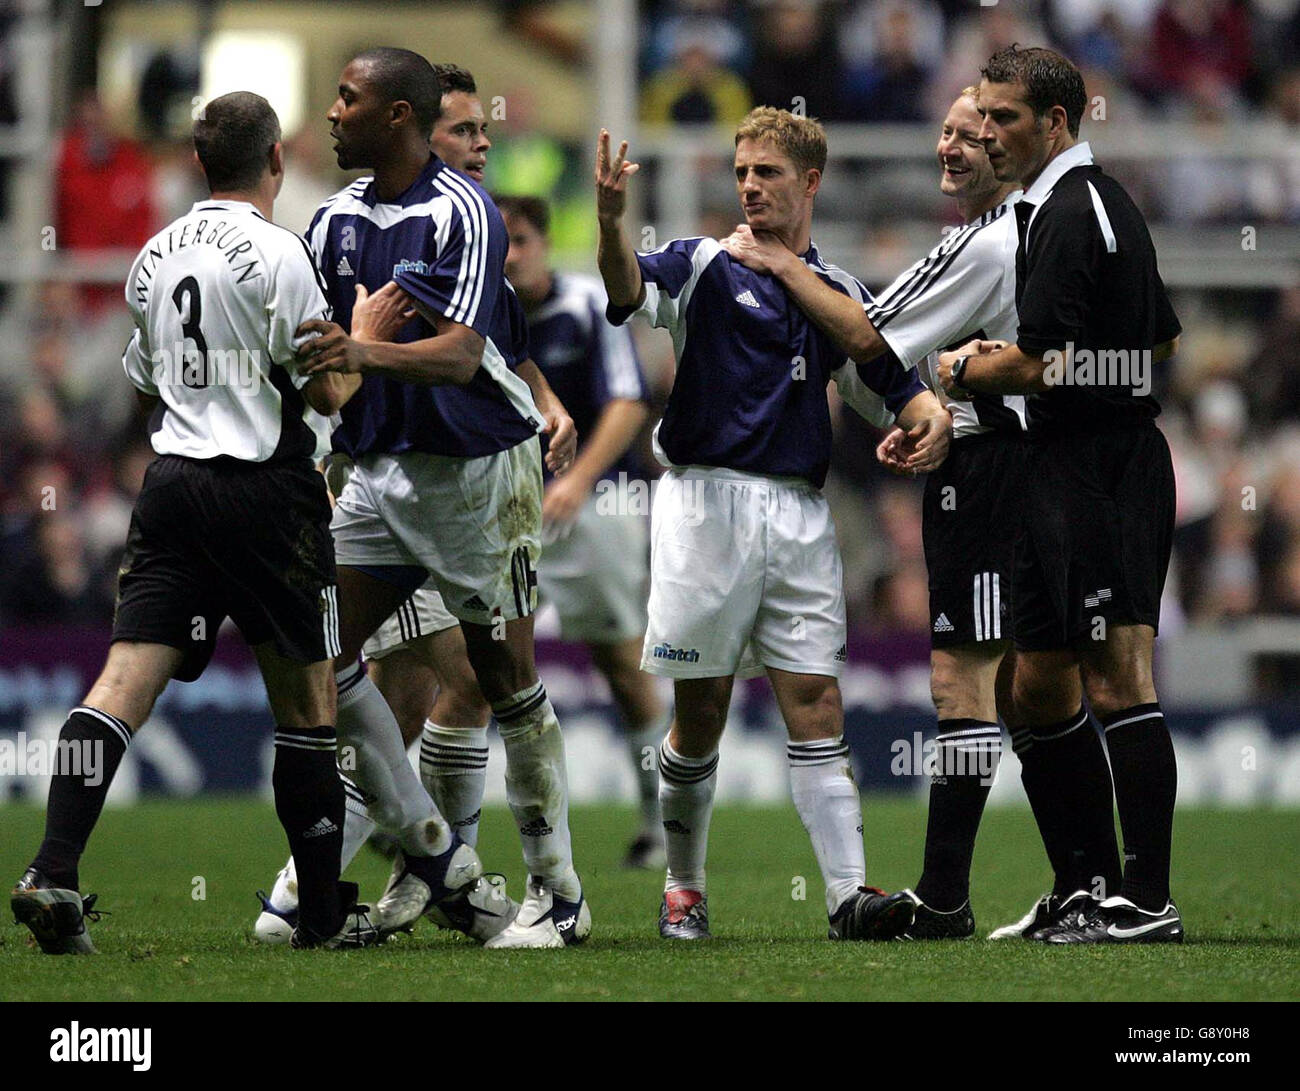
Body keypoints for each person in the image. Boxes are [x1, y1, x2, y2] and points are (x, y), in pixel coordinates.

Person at [10, 92, 378, 952]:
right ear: (276, 159)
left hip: (172, 484)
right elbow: (327, 390)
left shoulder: (153, 253)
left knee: (120, 683)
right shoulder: (282, 253)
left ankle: (52, 869)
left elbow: (146, 377)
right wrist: (360, 344)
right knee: (307, 701)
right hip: (267, 489)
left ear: (200, 164)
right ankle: (322, 915)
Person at [595, 107, 952, 941]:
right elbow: (624, 291)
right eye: (742, 171)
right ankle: (683, 885)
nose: (750, 186)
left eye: (768, 173)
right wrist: (612, 224)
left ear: (811, 183)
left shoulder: (839, 294)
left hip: (797, 512)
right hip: (704, 503)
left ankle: (846, 896)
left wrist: (926, 418)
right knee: (704, 708)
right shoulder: (704, 264)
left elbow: (888, 383)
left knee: (816, 699)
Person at [252, 62, 577, 945]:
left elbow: (465, 354)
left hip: (478, 473)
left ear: (396, 116)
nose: (330, 112)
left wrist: (364, 352)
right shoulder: (332, 221)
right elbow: (315, 357)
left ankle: (560, 889)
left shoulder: (463, 211)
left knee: (500, 677)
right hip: (381, 470)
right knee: (325, 651)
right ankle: (436, 857)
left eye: (347, 101)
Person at [724, 85, 1028, 939]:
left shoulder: (980, 244)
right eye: (945, 130)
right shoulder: (1046, 226)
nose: (950, 148)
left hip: (1001, 471)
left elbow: (867, 338)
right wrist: (930, 408)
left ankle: (965, 893)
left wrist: (787, 268)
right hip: (1009, 466)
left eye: (975, 133)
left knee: (981, 679)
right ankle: (1096, 883)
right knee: (1040, 680)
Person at [938, 45, 1183, 944]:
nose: (988, 133)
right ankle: (1083, 888)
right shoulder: (1063, 207)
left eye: (1005, 119)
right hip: (1058, 462)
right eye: (983, 115)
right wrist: (1083, 369)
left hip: (1100, 466)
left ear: (1056, 123)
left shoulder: (1079, 210)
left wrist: (962, 368)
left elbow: (1040, 361)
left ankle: (1147, 900)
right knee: (1033, 684)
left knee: (1119, 673)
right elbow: (1155, 339)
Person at [497, 193, 666, 869]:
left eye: (522, 240)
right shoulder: (479, 316)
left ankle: (658, 822)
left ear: (543, 243)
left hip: (599, 507)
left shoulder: (586, 305)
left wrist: (577, 479)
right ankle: (454, 834)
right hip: (506, 510)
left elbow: (629, 403)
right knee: (484, 664)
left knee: (620, 662)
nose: (510, 255)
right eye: (500, 242)